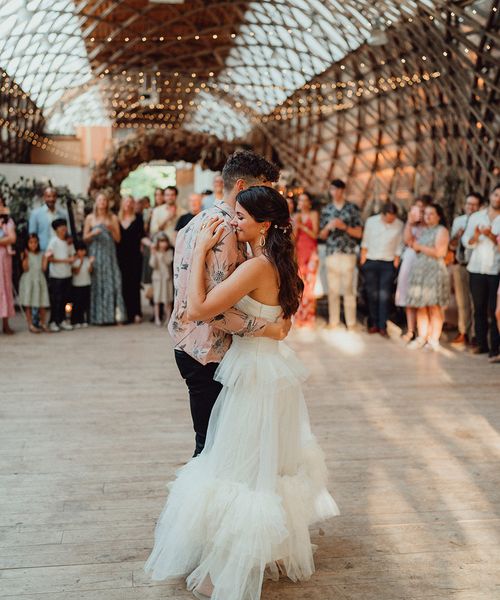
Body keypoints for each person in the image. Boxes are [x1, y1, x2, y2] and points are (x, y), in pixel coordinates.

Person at [145, 185, 340, 600]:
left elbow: (198, 310)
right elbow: (284, 325)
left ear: (264, 224)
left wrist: (199, 250)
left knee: (238, 468)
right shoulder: (278, 262)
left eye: (241, 217)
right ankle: (274, 550)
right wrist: (268, 328)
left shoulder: (255, 267)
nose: (233, 222)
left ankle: (226, 568)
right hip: (273, 371)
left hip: (252, 376)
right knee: (268, 464)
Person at [167, 150, 291, 458]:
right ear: (240, 187)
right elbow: (213, 311)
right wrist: (269, 328)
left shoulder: (197, 221)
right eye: (262, 187)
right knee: (211, 448)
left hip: (187, 342)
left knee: (211, 441)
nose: (267, 195)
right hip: (209, 349)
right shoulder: (225, 230)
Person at [462, 184, 500, 361]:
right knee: (478, 308)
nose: (497, 198)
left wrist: (491, 235)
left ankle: (495, 347)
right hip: (476, 268)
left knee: (494, 310)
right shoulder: (477, 217)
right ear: (490, 196)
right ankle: (481, 343)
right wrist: (477, 235)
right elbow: (466, 242)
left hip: (496, 270)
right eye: (495, 194)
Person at [319, 179, 363, 329]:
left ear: (343, 191)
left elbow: (359, 233)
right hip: (332, 252)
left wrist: (343, 227)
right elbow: (321, 235)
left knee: (349, 289)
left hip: (348, 252)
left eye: (338, 189)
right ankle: (334, 321)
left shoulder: (352, 208)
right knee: (333, 290)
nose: (335, 192)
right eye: (332, 189)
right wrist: (328, 228)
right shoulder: (327, 210)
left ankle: (351, 323)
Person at [406, 204, 450, 351]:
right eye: (426, 214)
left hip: (434, 271)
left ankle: (434, 338)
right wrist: (410, 222)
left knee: (434, 306)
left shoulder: (441, 231)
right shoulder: (424, 231)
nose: (428, 216)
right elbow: (409, 241)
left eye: (432, 214)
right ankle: (422, 336)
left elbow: (440, 252)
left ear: (439, 216)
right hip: (421, 272)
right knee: (421, 306)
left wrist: (420, 248)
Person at [360, 201, 404, 337]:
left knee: (384, 296)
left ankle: (382, 325)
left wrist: (396, 263)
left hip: (388, 263)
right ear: (383, 215)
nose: (391, 220)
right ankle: (373, 323)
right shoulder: (371, 222)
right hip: (371, 261)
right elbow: (365, 241)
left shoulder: (399, 225)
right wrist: (363, 261)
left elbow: (399, 245)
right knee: (372, 295)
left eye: (393, 218)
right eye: (389, 217)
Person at [83, 191, 125, 325]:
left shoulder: (112, 217)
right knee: (97, 283)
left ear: (107, 203)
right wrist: (92, 233)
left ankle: (113, 316)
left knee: (112, 283)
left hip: (109, 253)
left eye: (104, 200)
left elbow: (118, 239)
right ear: (96, 202)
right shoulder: (90, 218)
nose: (102, 203)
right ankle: (98, 317)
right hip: (96, 253)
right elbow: (84, 238)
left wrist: (112, 228)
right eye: (100, 200)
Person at [395, 196, 431, 342]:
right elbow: (407, 240)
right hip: (410, 259)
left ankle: (426, 332)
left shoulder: (431, 224)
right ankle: (411, 329)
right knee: (408, 294)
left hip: (426, 260)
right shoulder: (410, 223)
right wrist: (410, 222)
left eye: (423, 208)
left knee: (424, 297)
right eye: (417, 208)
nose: (420, 211)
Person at [448, 192, 482, 346]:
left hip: (477, 265)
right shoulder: (459, 220)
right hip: (460, 264)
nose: (471, 207)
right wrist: (457, 235)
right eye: (469, 204)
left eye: (474, 204)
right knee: (462, 301)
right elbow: (452, 245)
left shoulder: (482, 221)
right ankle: (464, 331)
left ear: (480, 206)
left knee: (476, 302)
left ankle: (476, 334)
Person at [117, 195, 145, 324]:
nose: (128, 204)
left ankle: (136, 313)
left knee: (134, 284)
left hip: (135, 256)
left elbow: (143, 236)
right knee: (123, 284)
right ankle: (126, 313)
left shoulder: (138, 218)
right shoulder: (116, 218)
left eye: (130, 202)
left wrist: (152, 245)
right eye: (126, 202)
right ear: (122, 204)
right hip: (120, 256)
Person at [293, 191, 319, 327]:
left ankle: (309, 317)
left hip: (311, 252)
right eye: (300, 200)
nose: (302, 203)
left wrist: (301, 225)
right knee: (300, 285)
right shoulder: (296, 216)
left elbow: (315, 235)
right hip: (299, 252)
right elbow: (295, 237)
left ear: (309, 203)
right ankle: (299, 316)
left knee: (310, 284)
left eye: (304, 200)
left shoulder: (313, 215)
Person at [45, 218, 75, 332]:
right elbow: (50, 258)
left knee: (65, 299)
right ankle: (53, 321)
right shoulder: (53, 242)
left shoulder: (69, 242)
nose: (63, 229)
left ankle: (62, 320)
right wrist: (65, 261)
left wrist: (71, 260)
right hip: (56, 276)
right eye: (60, 227)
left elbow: (73, 255)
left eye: (64, 226)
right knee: (56, 299)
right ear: (56, 229)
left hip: (67, 274)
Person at [18, 233, 50, 333]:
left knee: (42, 303)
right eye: (31, 242)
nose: (33, 245)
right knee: (28, 303)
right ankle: (30, 324)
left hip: (39, 279)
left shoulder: (41, 254)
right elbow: (25, 268)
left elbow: (44, 268)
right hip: (29, 280)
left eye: (35, 242)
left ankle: (43, 323)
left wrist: (46, 259)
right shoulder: (25, 254)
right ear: (27, 243)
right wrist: (26, 257)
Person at [28, 186, 67, 252]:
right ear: (44, 197)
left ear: (56, 198)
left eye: (53, 196)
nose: (51, 199)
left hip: (59, 251)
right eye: (48, 196)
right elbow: (32, 235)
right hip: (42, 251)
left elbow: (66, 233)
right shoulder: (36, 214)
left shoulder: (62, 215)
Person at [149, 233, 174, 326]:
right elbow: (152, 264)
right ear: (158, 243)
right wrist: (154, 254)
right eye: (161, 242)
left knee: (168, 300)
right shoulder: (154, 252)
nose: (163, 244)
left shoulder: (169, 252)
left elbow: (168, 262)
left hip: (167, 279)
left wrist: (162, 254)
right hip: (157, 279)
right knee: (157, 300)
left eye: (165, 241)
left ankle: (168, 318)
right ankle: (157, 318)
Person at [0, 199, 16, 334]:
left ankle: (5, 323)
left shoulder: (8, 221)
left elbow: (12, 238)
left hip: (4, 258)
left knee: (4, 287)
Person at [71, 241, 93, 328]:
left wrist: (90, 263)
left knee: (84, 304)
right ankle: (75, 320)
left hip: (86, 283)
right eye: (80, 250)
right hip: (77, 285)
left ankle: (83, 320)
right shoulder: (74, 260)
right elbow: (75, 272)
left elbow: (90, 271)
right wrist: (80, 262)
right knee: (77, 304)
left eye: (83, 250)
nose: (82, 252)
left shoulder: (87, 260)